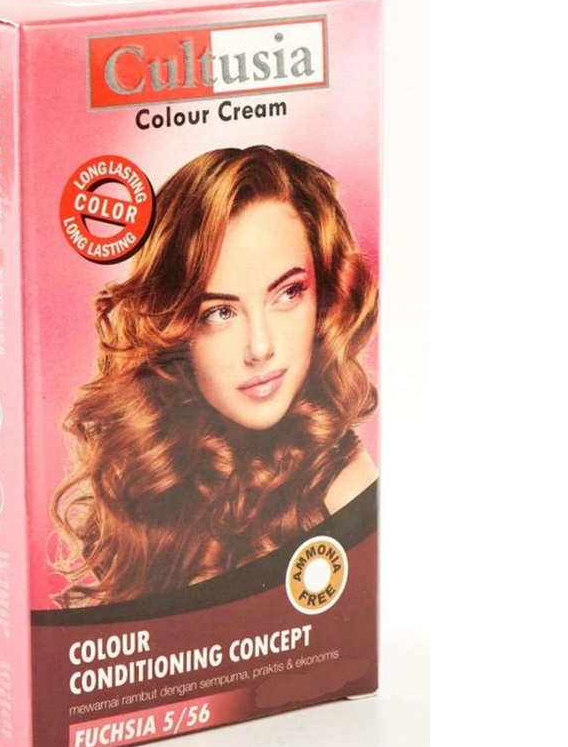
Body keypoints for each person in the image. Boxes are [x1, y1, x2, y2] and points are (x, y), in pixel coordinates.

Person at [51, 146, 378, 607]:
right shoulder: (163, 475)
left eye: (288, 293)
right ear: (175, 328)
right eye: (219, 312)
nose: (260, 347)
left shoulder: (346, 490)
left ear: (322, 295)